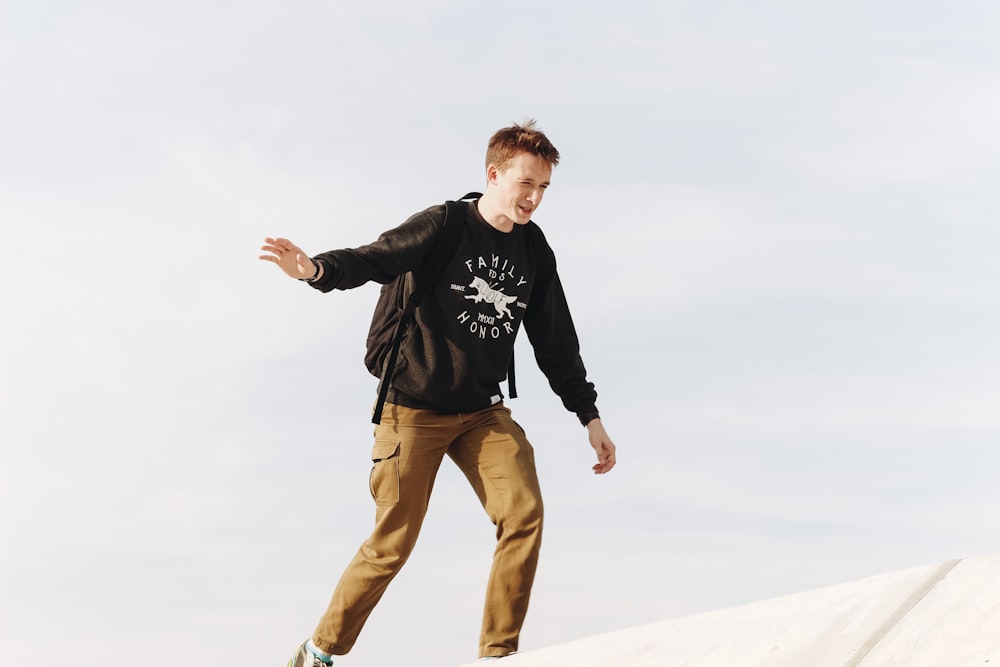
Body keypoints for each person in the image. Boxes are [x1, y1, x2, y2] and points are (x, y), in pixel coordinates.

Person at [259, 120, 617, 665]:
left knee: (523, 513)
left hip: (481, 414)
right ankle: (319, 651)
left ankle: (499, 655)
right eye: (525, 182)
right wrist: (315, 270)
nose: (533, 198)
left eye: (543, 187)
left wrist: (588, 415)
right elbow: (375, 257)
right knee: (392, 547)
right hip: (412, 411)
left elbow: (555, 339)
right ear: (494, 174)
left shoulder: (534, 252)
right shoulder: (445, 224)